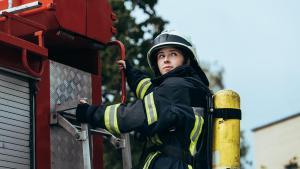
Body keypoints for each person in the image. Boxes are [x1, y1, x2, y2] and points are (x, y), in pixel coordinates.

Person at [76, 30, 211, 169]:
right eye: (161, 56)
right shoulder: (190, 87)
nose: (166, 59)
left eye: (173, 54)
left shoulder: (176, 87)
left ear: (186, 59)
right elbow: (153, 94)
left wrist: (89, 112)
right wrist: (132, 74)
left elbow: (134, 116)